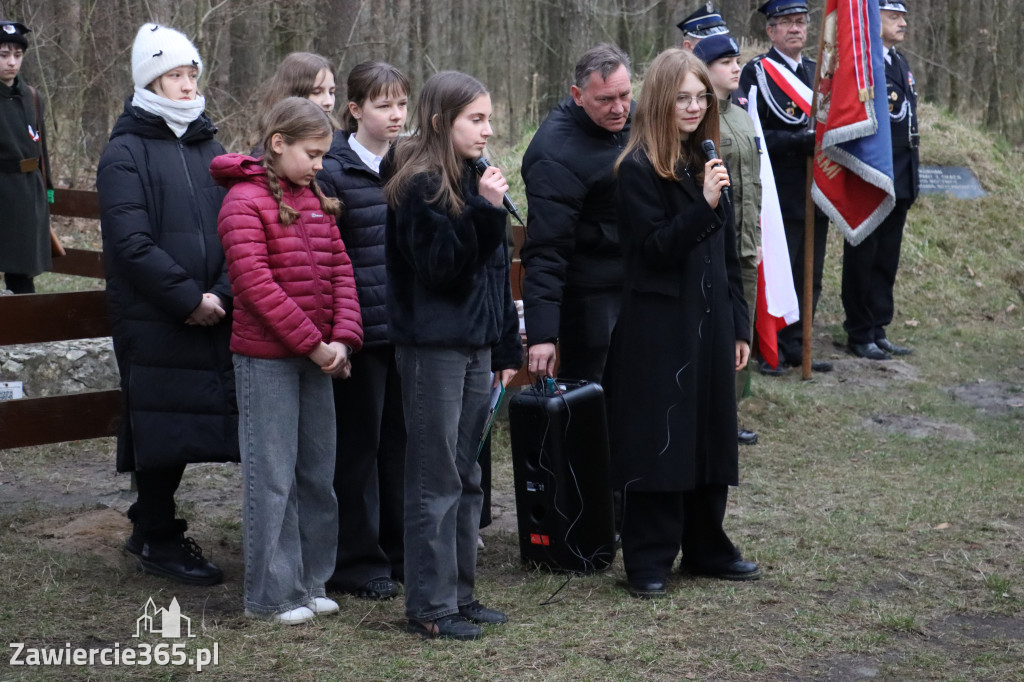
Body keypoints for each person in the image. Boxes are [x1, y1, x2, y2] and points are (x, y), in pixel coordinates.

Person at [606, 48, 760, 599]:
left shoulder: (706, 159)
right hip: (659, 325)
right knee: (662, 436)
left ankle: (706, 546)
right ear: (659, 102)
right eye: (682, 99)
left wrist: (739, 324)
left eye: (701, 98)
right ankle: (648, 556)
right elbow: (652, 250)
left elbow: (727, 256)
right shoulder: (636, 169)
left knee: (711, 431)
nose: (694, 108)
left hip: (711, 321)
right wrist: (703, 204)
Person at [383, 70, 523, 641]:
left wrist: (506, 344)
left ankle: (461, 595)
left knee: (467, 475)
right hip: (433, 348)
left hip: (477, 346)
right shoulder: (416, 183)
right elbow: (441, 268)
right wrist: (486, 213)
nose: (487, 130)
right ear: (442, 122)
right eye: (476, 119)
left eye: (489, 118)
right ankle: (430, 605)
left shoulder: (473, 177)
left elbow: (494, 274)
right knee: (434, 477)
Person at [97, 23, 237, 586]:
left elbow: (239, 226)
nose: (186, 85)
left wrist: (221, 293)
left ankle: (148, 523)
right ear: (150, 81)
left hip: (214, 307)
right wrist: (186, 299)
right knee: (161, 423)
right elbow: (131, 242)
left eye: (191, 73)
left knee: (191, 416)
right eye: (174, 75)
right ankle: (157, 534)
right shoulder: (124, 152)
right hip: (155, 314)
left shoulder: (210, 145)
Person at [214, 97, 362, 625]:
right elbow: (256, 287)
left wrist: (343, 339)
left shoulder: (314, 199)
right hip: (268, 363)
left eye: (324, 155)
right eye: (312, 154)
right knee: (272, 478)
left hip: (318, 359)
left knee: (317, 475)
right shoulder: (242, 202)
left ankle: (311, 582)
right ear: (278, 144)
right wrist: (313, 344)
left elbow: (341, 271)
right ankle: (272, 595)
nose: (320, 165)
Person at [317, 60, 410, 601]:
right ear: (354, 110)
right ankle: (357, 560)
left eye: (402, 103)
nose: (396, 115)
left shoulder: (411, 162)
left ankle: (399, 552)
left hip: (406, 332)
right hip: (359, 334)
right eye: (383, 104)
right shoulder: (332, 170)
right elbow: (328, 261)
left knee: (400, 447)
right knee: (358, 451)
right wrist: (341, 334)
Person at [520, 44, 634, 383]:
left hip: (641, 280)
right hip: (590, 297)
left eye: (625, 95)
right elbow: (546, 249)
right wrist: (543, 334)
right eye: (605, 100)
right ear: (578, 95)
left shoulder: (638, 118)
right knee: (590, 395)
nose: (619, 108)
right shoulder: (554, 155)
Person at [738, 0, 833, 374]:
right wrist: (797, 142)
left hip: (817, 189)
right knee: (779, 271)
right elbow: (751, 133)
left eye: (801, 21)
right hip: (778, 192)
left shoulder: (817, 72)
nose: (796, 28)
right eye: (787, 22)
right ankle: (770, 347)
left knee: (811, 274)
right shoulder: (757, 72)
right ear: (771, 30)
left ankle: (798, 344)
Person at [695, 33, 763, 447]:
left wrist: (756, 235)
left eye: (737, 60)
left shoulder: (742, 115)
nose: (736, 67)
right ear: (704, 70)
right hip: (713, 244)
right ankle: (708, 417)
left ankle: (729, 415)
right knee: (711, 335)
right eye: (725, 62)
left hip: (745, 246)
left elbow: (753, 183)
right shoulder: (699, 120)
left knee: (740, 334)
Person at [841, 0, 918, 360]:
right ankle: (859, 331)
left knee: (887, 257)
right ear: (874, 19)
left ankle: (878, 327)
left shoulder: (898, 62)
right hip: (872, 176)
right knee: (864, 256)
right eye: (893, 17)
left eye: (903, 17)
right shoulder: (864, 65)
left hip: (900, 174)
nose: (902, 23)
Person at [0, 20, 51, 294]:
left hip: (28, 194)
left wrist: (48, 194)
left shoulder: (32, 97)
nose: (12, 62)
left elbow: (42, 153)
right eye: (3, 55)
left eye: (17, 55)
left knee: (22, 276)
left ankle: (24, 319)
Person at [256, 51, 337, 130]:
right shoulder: (273, 138)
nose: (329, 102)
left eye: (331, 92)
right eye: (317, 92)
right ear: (292, 95)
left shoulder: (339, 137)